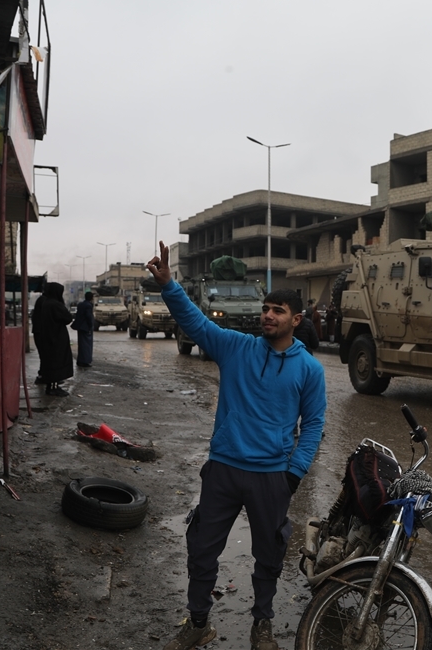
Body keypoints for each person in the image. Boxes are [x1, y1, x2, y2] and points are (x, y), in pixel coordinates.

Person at [147, 242, 326, 650]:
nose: (267, 315)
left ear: (295, 319)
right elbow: (196, 324)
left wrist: (294, 473)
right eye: (266, 308)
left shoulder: (309, 370)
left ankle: (262, 623)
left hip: (271, 478)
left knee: (269, 556)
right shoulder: (237, 348)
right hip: (224, 469)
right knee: (202, 549)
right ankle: (197, 623)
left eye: (277, 311)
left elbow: (314, 424)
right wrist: (169, 285)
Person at [31, 282, 74, 396]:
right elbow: (68, 318)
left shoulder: (46, 303)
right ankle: (53, 387)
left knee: (50, 362)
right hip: (57, 338)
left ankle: (51, 385)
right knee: (57, 361)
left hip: (48, 336)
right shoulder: (55, 305)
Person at [71, 291, 95, 367]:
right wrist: (91, 325)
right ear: (91, 298)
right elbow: (88, 317)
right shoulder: (88, 305)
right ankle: (85, 361)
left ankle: (80, 360)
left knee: (81, 345)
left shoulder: (81, 304)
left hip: (80, 327)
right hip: (86, 328)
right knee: (86, 345)